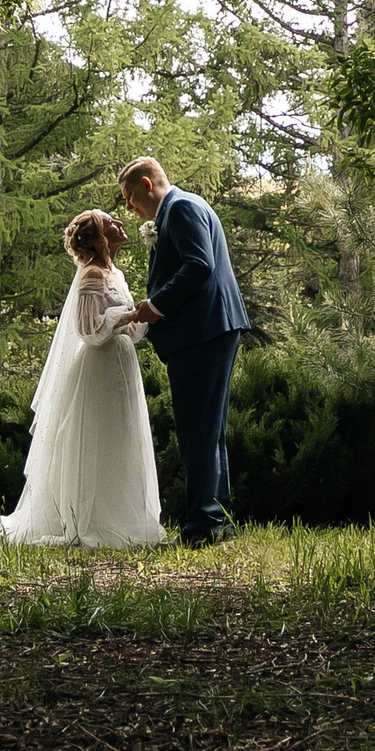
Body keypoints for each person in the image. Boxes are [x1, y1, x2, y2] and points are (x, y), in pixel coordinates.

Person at [0, 209, 163, 547]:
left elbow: (126, 326)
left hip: (123, 363)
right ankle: (91, 521)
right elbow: (88, 329)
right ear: (98, 239)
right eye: (111, 223)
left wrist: (141, 319)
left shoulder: (116, 274)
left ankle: (124, 517)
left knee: (122, 435)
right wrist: (129, 313)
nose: (121, 225)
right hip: (99, 367)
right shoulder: (91, 275)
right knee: (100, 439)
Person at [119, 156, 250, 546]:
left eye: (129, 197)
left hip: (203, 332)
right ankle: (217, 521)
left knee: (197, 431)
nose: (129, 208)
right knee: (207, 431)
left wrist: (155, 307)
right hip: (209, 330)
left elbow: (199, 265)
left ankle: (202, 527)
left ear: (146, 183)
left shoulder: (181, 208)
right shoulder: (184, 208)